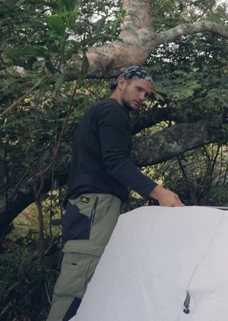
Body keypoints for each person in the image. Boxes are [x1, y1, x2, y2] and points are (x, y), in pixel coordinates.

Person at [47, 66, 184, 321]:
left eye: (147, 94)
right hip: (95, 206)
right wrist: (160, 193)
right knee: (75, 288)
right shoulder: (113, 112)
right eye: (138, 89)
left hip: (88, 207)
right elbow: (116, 162)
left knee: (90, 285)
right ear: (121, 82)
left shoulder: (100, 112)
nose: (143, 97)